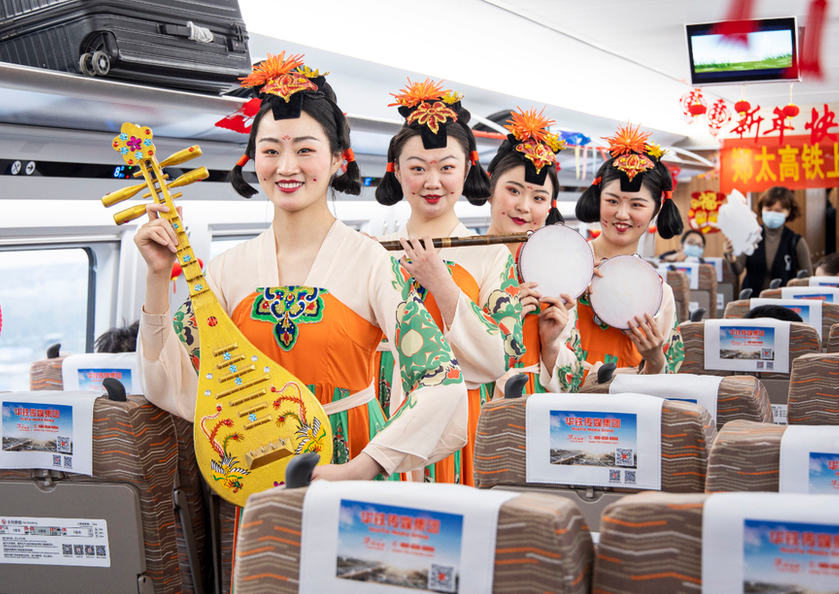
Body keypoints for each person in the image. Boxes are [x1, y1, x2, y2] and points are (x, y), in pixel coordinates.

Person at [134, 54, 468, 483]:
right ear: (253, 160)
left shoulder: (372, 264)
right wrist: (158, 276)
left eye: (305, 150)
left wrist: (361, 467)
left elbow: (441, 381)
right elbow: (169, 380)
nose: (286, 167)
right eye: (270, 151)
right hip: (260, 470)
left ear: (336, 160)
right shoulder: (227, 270)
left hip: (350, 468)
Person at [374, 79, 524, 486]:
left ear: (467, 169)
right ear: (397, 171)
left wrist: (441, 282)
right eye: (417, 168)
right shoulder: (372, 250)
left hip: (459, 417)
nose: (432, 181)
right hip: (381, 411)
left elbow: (500, 357)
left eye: (446, 167)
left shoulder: (490, 253)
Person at [484, 107, 585, 395]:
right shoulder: (457, 263)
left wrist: (551, 344)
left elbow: (572, 382)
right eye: (513, 191)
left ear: (550, 205)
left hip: (535, 402)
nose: (524, 207)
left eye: (538, 197)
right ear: (490, 189)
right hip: (475, 401)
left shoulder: (559, 273)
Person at [574, 123, 685, 375]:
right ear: (598, 199)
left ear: (656, 211)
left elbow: (671, 380)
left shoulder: (660, 293)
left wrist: (655, 359)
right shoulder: (567, 266)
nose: (622, 214)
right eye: (612, 201)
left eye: (637, 205)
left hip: (626, 408)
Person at [724, 186, 811, 296]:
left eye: (778, 211)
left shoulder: (796, 241)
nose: (772, 214)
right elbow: (737, 270)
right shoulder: (750, 235)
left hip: (783, 303)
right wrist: (730, 256)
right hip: (752, 300)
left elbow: (808, 277)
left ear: (788, 212)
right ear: (762, 209)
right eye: (769, 209)